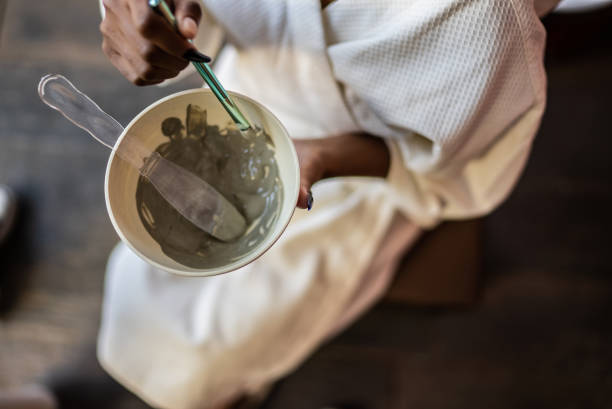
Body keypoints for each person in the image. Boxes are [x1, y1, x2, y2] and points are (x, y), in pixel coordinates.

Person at [0, 0, 568, 408]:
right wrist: (143, 13)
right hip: (250, 94)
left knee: (216, 352)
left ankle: (204, 384)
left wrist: (325, 156)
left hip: (359, 169)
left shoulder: (483, 24)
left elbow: (458, 179)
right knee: (143, 290)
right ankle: (91, 380)